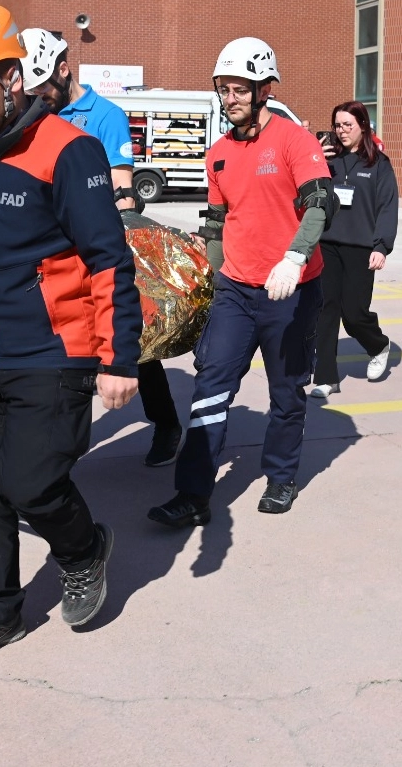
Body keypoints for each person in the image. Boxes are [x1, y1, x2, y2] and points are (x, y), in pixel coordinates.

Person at [0, 3, 142, 667]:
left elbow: (109, 257)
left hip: (52, 352)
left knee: (32, 483)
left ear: (12, 79)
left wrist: (119, 357)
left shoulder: (68, 151)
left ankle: (83, 549)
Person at [147, 36, 336, 528]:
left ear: (264, 90)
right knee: (211, 385)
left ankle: (281, 476)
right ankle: (193, 495)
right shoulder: (217, 155)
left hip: (291, 289)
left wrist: (295, 257)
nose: (230, 98)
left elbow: (321, 203)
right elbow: (216, 226)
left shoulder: (295, 141)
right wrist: (205, 288)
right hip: (236, 289)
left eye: (239, 89)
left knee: (287, 390)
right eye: (223, 89)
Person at [20, 27, 182, 467]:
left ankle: (166, 423)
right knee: (61, 347)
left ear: (63, 69)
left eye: (42, 89)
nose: (38, 98)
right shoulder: (34, 116)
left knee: (129, 343)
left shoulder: (105, 116)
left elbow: (122, 191)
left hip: (95, 250)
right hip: (50, 255)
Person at [309, 101, 396, 399]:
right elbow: (306, 192)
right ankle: (326, 377)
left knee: (354, 314)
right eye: (337, 125)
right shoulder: (327, 160)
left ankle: (378, 345)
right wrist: (314, 162)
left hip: (361, 247)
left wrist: (382, 246)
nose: (342, 131)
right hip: (327, 244)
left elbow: (387, 207)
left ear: (363, 126)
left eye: (348, 125)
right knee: (326, 311)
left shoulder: (378, 164)